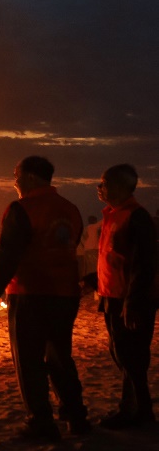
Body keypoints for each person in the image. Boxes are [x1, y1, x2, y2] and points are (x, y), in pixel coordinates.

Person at [0, 156, 88, 441]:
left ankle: (41, 422)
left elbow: (6, 256)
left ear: (29, 177)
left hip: (30, 293)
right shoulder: (70, 209)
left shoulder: (22, 209)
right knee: (60, 356)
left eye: (16, 175)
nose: (14, 181)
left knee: (29, 361)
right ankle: (75, 415)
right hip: (65, 295)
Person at [90, 164, 158, 429]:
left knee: (132, 356)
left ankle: (139, 412)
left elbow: (144, 264)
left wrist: (133, 302)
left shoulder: (136, 217)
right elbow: (115, 258)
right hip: (112, 296)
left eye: (104, 183)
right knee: (121, 353)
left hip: (131, 300)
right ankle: (132, 408)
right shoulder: (112, 215)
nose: (99, 188)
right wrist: (92, 281)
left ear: (120, 187)